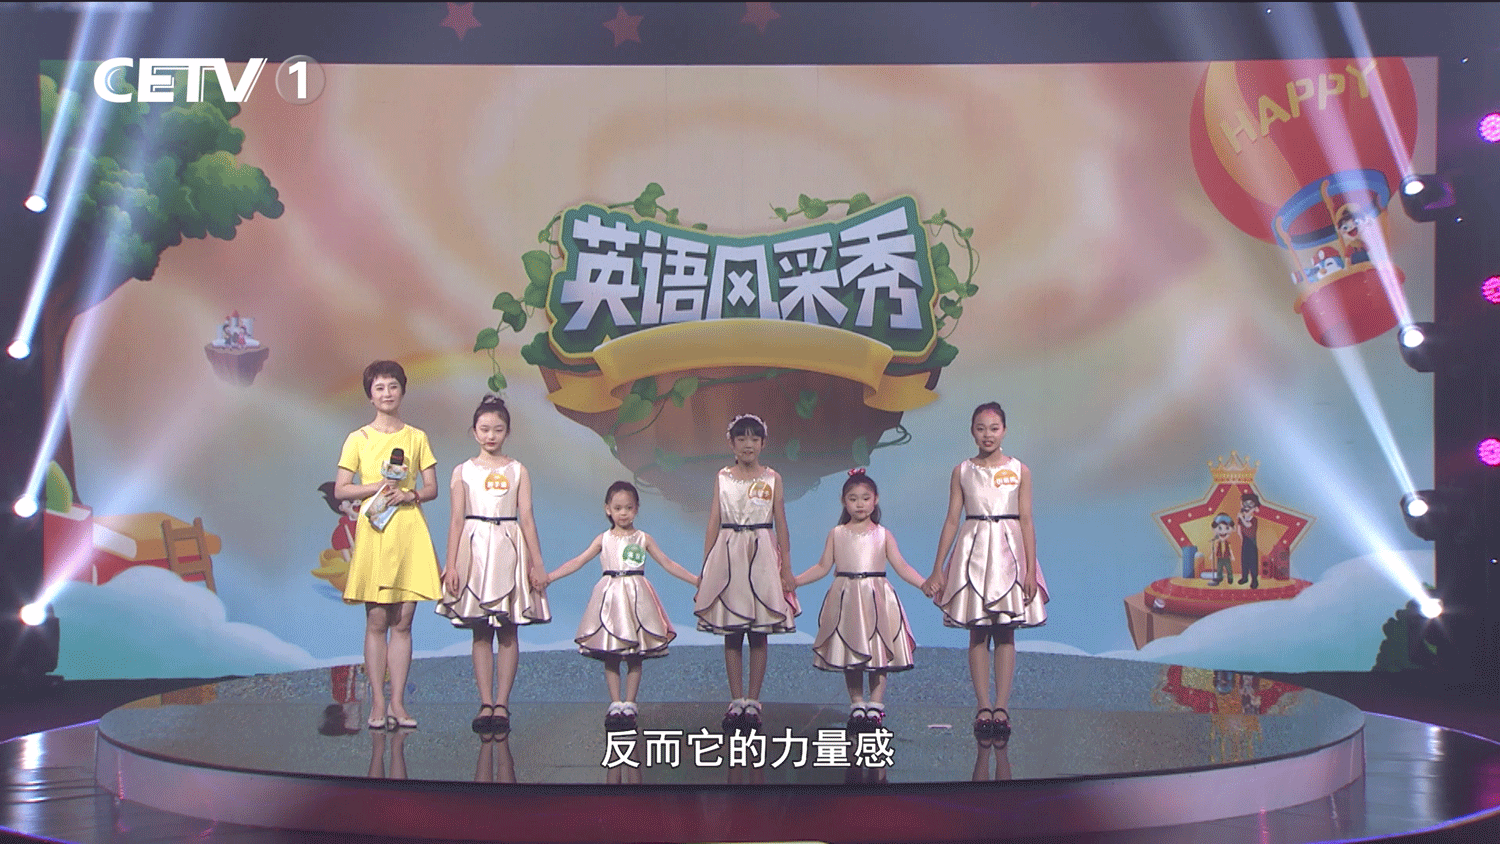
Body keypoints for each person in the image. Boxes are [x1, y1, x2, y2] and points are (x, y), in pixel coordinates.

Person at [923, 402, 1047, 738]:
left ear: (1004, 430)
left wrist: (1030, 570)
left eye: (994, 428)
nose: (987, 435)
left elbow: (1026, 520)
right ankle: (982, 705)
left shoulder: (1020, 470)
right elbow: (952, 519)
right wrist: (938, 568)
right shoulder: (962, 471)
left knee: (1006, 631)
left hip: (1010, 553)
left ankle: (1002, 706)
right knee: (977, 631)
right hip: (973, 549)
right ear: (972, 431)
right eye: (980, 428)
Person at [334, 360, 442, 731]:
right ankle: (377, 703)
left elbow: (432, 487)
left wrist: (410, 494)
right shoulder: (358, 439)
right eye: (379, 387)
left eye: (392, 386)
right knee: (377, 618)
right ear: (370, 395)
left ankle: (398, 702)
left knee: (404, 620)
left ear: (402, 391)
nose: (386, 393)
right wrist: (376, 488)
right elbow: (341, 489)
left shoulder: (416, 437)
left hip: (409, 529)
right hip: (376, 529)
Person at [546, 481, 700, 729]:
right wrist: (549, 577)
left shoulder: (643, 538)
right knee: (611, 652)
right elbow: (578, 561)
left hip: (637, 599)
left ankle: (630, 703)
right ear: (607, 509)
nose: (623, 513)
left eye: (628, 507)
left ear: (636, 508)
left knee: (635, 654)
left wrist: (696, 580)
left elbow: (668, 563)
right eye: (618, 508)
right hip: (611, 599)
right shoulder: (603, 539)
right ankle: (615, 702)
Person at [438, 394, 550, 734]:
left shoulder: (518, 470)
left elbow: (527, 518)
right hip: (474, 548)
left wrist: (537, 564)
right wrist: (451, 565)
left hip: (509, 546)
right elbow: (456, 520)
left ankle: (502, 703)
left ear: (507, 432)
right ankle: (485, 702)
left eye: (497, 429)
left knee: (509, 627)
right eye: (484, 429)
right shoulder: (462, 471)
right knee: (480, 629)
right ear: (474, 431)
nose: (490, 435)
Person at [793, 469, 926, 730]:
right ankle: (856, 703)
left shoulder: (883, 534)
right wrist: (795, 581)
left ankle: (875, 705)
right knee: (851, 650)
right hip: (846, 596)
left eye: (865, 498)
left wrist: (924, 584)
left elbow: (901, 566)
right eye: (853, 499)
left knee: (878, 651)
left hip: (877, 597)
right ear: (844, 502)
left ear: (875, 500)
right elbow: (822, 567)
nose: (860, 504)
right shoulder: (837, 533)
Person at [693, 413, 798, 731]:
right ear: (732, 443)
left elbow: (781, 522)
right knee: (732, 630)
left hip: (762, 552)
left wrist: (786, 567)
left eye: (754, 438)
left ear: (763, 443)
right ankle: (736, 700)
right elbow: (714, 520)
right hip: (729, 552)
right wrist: (706, 565)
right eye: (741, 438)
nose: (748, 444)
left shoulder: (772, 477)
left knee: (758, 630)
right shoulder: (723, 477)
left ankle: (753, 701)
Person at [1236, 492, 1261, 589]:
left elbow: (1248, 525)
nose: (1246, 507)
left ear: (1255, 508)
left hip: (1252, 543)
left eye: (1250, 505)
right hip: (1245, 542)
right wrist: (1241, 539)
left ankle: (1254, 580)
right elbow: (1239, 530)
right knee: (1244, 561)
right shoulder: (1241, 519)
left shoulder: (1254, 520)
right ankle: (1244, 577)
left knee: (1253, 562)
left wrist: (1241, 518)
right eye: (1244, 504)